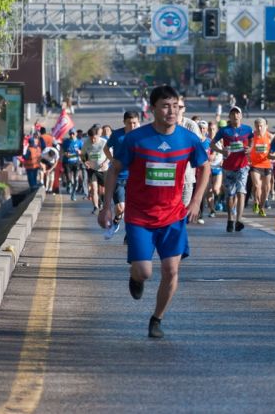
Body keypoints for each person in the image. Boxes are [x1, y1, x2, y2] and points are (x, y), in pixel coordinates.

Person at [98, 85, 209, 339]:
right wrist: (106, 207)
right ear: (153, 109)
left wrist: (195, 202)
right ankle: (135, 277)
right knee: (145, 272)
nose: (171, 111)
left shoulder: (188, 139)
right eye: (165, 106)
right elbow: (113, 170)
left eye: (175, 106)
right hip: (140, 217)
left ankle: (156, 319)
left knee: (171, 270)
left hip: (173, 216)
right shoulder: (135, 140)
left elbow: (204, 167)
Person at [212, 106, 254, 232]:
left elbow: (252, 141)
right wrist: (221, 151)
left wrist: (250, 148)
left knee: (241, 191)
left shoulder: (247, 129)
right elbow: (212, 144)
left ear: (241, 116)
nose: (235, 116)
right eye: (233, 114)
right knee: (230, 195)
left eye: (237, 113)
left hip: (243, 165)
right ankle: (230, 218)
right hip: (228, 167)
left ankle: (239, 220)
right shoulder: (224, 131)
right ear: (229, 116)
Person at [104, 111, 141, 239]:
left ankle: (129, 233)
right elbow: (106, 148)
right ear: (124, 122)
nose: (132, 125)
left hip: (135, 177)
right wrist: (112, 160)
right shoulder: (117, 134)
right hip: (119, 176)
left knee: (132, 208)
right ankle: (116, 221)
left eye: (135, 123)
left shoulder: (141, 136)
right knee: (120, 207)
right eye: (129, 123)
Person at [249, 118, 273, 217]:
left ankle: (262, 207)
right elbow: (247, 147)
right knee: (257, 185)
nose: (259, 128)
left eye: (261, 126)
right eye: (257, 126)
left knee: (266, 188)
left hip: (267, 164)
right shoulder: (252, 136)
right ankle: (256, 202)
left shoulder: (270, 136)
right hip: (255, 165)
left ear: (265, 126)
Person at [82, 125, 110, 213]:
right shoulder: (86, 142)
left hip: (103, 169)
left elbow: (110, 155)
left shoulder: (104, 142)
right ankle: (96, 207)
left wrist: (105, 162)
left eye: (94, 138)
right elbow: (82, 155)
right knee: (94, 188)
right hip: (92, 169)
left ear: (98, 136)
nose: (93, 141)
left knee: (103, 190)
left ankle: (102, 202)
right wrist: (85, 162)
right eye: (91, 139)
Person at [60, 129, 83, 200]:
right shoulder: (66, 142)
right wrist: (64, 154)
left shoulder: (79, 142)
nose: (71, 135)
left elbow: (84, 152)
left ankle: (73, 194)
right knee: (69, 179)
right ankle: (68, 184)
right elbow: (61, 151)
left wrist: (80, 152)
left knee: (76, 179)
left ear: (75, 134)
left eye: (73, 134)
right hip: (67, 162)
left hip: (76, 162)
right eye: (70, 134)